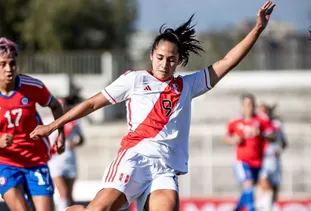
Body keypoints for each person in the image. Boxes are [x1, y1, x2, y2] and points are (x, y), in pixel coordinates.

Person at [30, 2, 276, 211]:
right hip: (134, 160)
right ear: (151, 55)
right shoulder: (134, 80)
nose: (165, 64)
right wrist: (53, 125)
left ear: (179, 60)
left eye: (171, 59)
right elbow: (93, 103)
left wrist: (257, 29)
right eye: (160, 57)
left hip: (164, 169)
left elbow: (226, 62)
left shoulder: (188, 85)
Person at [0, 37, 65, 211]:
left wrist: (60, 134)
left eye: (12, 63)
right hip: (4, 161)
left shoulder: (33, 86)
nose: (8, 69)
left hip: (35, 159)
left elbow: (55, 106)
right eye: (2, 64)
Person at [43, 97, 85, 211]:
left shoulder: (73, 121)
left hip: (70, 159)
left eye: (63, 105)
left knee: (69, 195)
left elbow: (81, 139)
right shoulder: (47, 121)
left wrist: (74, 144)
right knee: (63, 192)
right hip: (55, 160)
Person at [257, 103, 287, 210]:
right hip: (263, 159)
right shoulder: (257, 123)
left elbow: (283, 142)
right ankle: (262, 206)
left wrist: (279, 148)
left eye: (265, 110)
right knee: (265, 186)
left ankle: (269, 207)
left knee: (274, 188)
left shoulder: (277, 124)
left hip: (275, 160)